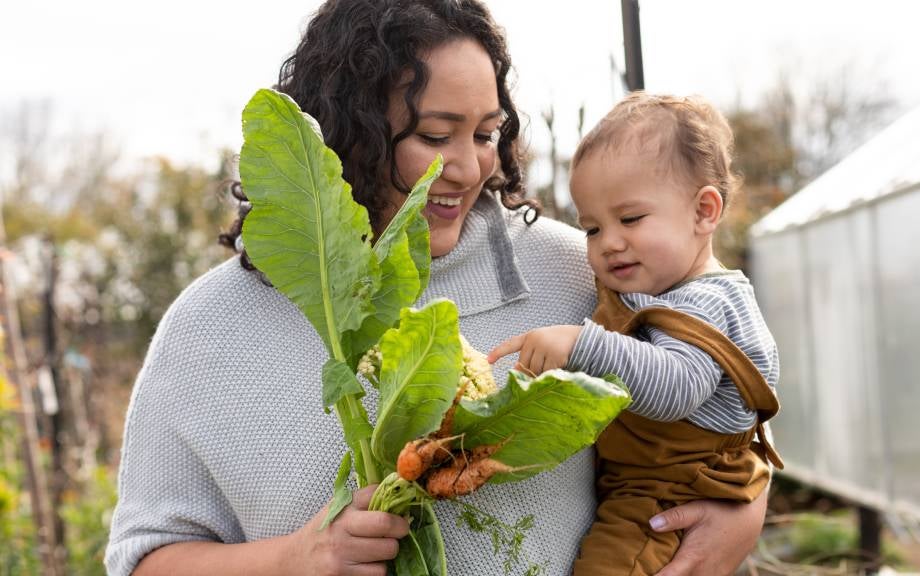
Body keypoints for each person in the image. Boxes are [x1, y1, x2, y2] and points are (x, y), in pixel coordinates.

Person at [104, 2, 768, 575]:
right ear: (349, 126)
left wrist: (744, 513)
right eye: (433, 135)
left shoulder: (585, 272)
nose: (469, 166)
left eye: (485, 134)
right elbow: (144, 559)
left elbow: (722, 406)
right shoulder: (208, 326)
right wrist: (298, 559)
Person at [488, 92, 783, 576]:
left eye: (630, 219)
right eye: (591, 229)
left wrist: (580, 345)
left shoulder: (705, 301)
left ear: (704, 211)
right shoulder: (660, 288)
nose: (610, 244)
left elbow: (676, 387)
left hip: (670, 494)